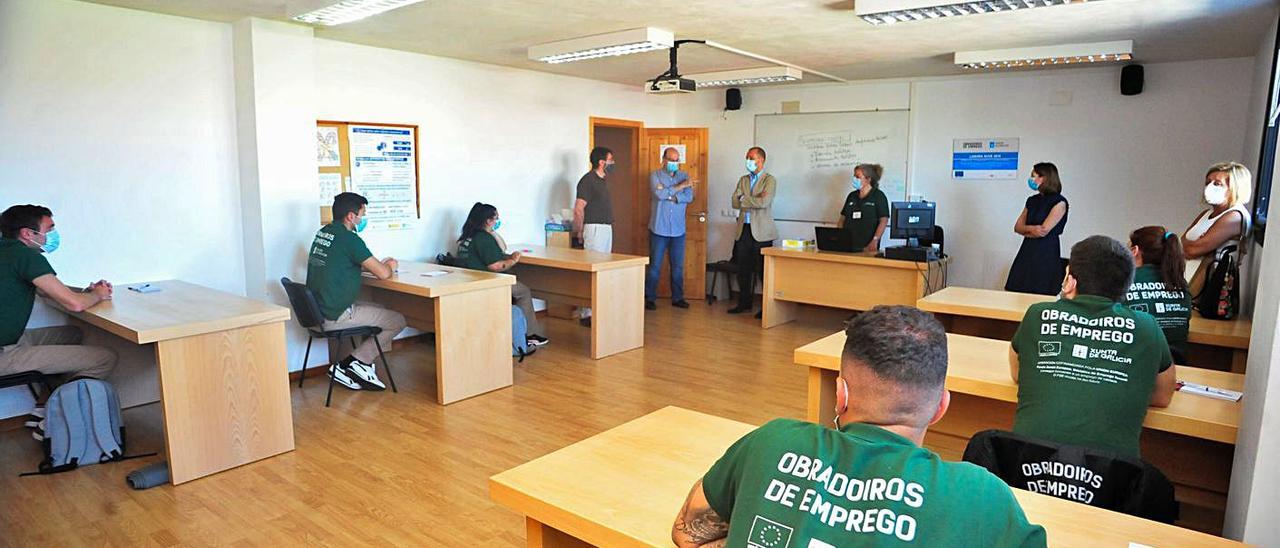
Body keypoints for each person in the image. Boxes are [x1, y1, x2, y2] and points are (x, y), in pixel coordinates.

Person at [673, 306, 1046, 548]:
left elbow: (687, 533)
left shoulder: (771, 440)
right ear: (940, 407)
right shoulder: (980, 497)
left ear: (840, 395)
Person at [1009, 235, 1175, 458]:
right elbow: (1163, 396)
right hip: (1107, 480)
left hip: (1027, 466)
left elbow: (1020, 373)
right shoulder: (1147, 326)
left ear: (1071, 279)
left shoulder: (1038, 314)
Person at [0, 204, 118, 434]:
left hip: (10, 341)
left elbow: (48, 291)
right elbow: (73, 304)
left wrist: (88, 292)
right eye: (49, 228)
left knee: (72, 334)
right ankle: (53, 420)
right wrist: (98, 295)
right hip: (4, 353)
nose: (52, 235)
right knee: (105, 358)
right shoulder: (25, 255)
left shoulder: (7, 251)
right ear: (27, 233)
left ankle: (43, 407)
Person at [306, 192, 406, 392]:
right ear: (351, 216)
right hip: (335, 315)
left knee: (380, 308)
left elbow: (341, 262)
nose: (363, 219)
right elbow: (383, 274)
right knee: (397, 320)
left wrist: (372, 265)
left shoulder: (324, 233)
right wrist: (390, 265)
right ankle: (358, 361)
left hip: (316, 311)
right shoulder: (350, 239)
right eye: (362, 214)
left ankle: (347, 366)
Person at [456, 202, 549, 348]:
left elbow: (500, 250)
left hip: (470, 280)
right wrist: (512, 260)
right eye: (496, 218)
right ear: (488, 221)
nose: (497, 221)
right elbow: (495, 266)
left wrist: (493, 233)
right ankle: (530, 335)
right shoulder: (483, 238)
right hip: (488, 283)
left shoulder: (467, 237)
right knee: (523, 291)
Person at [1123, 226, 1192, 363]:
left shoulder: (1124, 282)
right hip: (1175, 367)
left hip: (1134, 366)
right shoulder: (1180, 285)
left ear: (1135, 251)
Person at [1181, 161, 1252, 293]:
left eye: (1217, 184)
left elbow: (1191, 250)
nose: (1210, 187)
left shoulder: (1234, 216)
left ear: (1234, 188)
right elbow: (1181, 244)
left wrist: (1195, 246)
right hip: (1188, 278)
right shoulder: (1206, 214)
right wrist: (1196, 245)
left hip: (1209, 286)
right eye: (1208, 182)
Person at [1005, 162, 1069, 295]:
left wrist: (1027, 230)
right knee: (1017, 286)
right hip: (1027, 248)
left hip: (1046, 251)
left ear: (1045, 178)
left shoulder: (1059, 202)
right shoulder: (1032, 200)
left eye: (1034, 176)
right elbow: (1017, 227)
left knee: (1041, 287)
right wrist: (1032, 230)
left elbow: (1043, 231)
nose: (1031, 179)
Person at [729, 147, 777, 317]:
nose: (747, 160)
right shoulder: (743, 179)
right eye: (747, 157)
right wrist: (752, 199)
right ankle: (744, 303)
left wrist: (745, 199)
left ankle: (766, 308)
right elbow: (735, 202)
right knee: (743, 270)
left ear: (761, 160)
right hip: (744, 230)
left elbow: (764, 202)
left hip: (762, 232)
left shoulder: (769, 180)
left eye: (751, 157)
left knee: (763, 271)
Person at [646, 147, 695, 310]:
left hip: (678, 230)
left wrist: (671, 194)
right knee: (655, 266)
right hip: (659, 229)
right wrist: (681, 187)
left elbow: (689, 197)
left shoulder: (685, 176)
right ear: (664, 160)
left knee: (678, 267)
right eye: (671, 160)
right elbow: (658, 195)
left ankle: (678, 298)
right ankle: (650, 298)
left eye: (676, 160)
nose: (674, 163)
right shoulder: (655, 175)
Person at [573, 146, 615, 326]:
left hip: (606, 228)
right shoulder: (587, 181)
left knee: (604, 269)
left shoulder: (603, 180)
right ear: (601, 162)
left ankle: (598, 309)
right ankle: (586, 313)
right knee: (593, 270)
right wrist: (579, 232)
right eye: (611, 160)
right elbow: (578, 208)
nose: (613, 163)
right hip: (594, 229)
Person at [837, 163, 890, 253]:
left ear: (868, 179)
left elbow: (883, 220)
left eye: (858, 177)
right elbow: (842, 219)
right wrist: (840, 237)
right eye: (854, 176)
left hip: (867, 246)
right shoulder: (852, 196)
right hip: (848, 246)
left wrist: (875, 240)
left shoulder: (878, 196)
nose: (854, 179)